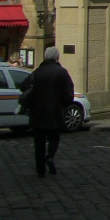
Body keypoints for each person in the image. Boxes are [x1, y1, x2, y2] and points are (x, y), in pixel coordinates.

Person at [20, 46, 74, 178]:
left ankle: (40, 170)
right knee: (54, 137)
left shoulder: (37, 72)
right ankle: (50, 157)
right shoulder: (62, 72)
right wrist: (63, 105)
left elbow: (23, 86)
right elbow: (68, 94)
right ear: (57, 58)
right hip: (55, 112)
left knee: (39, 142)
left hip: (37, 113)